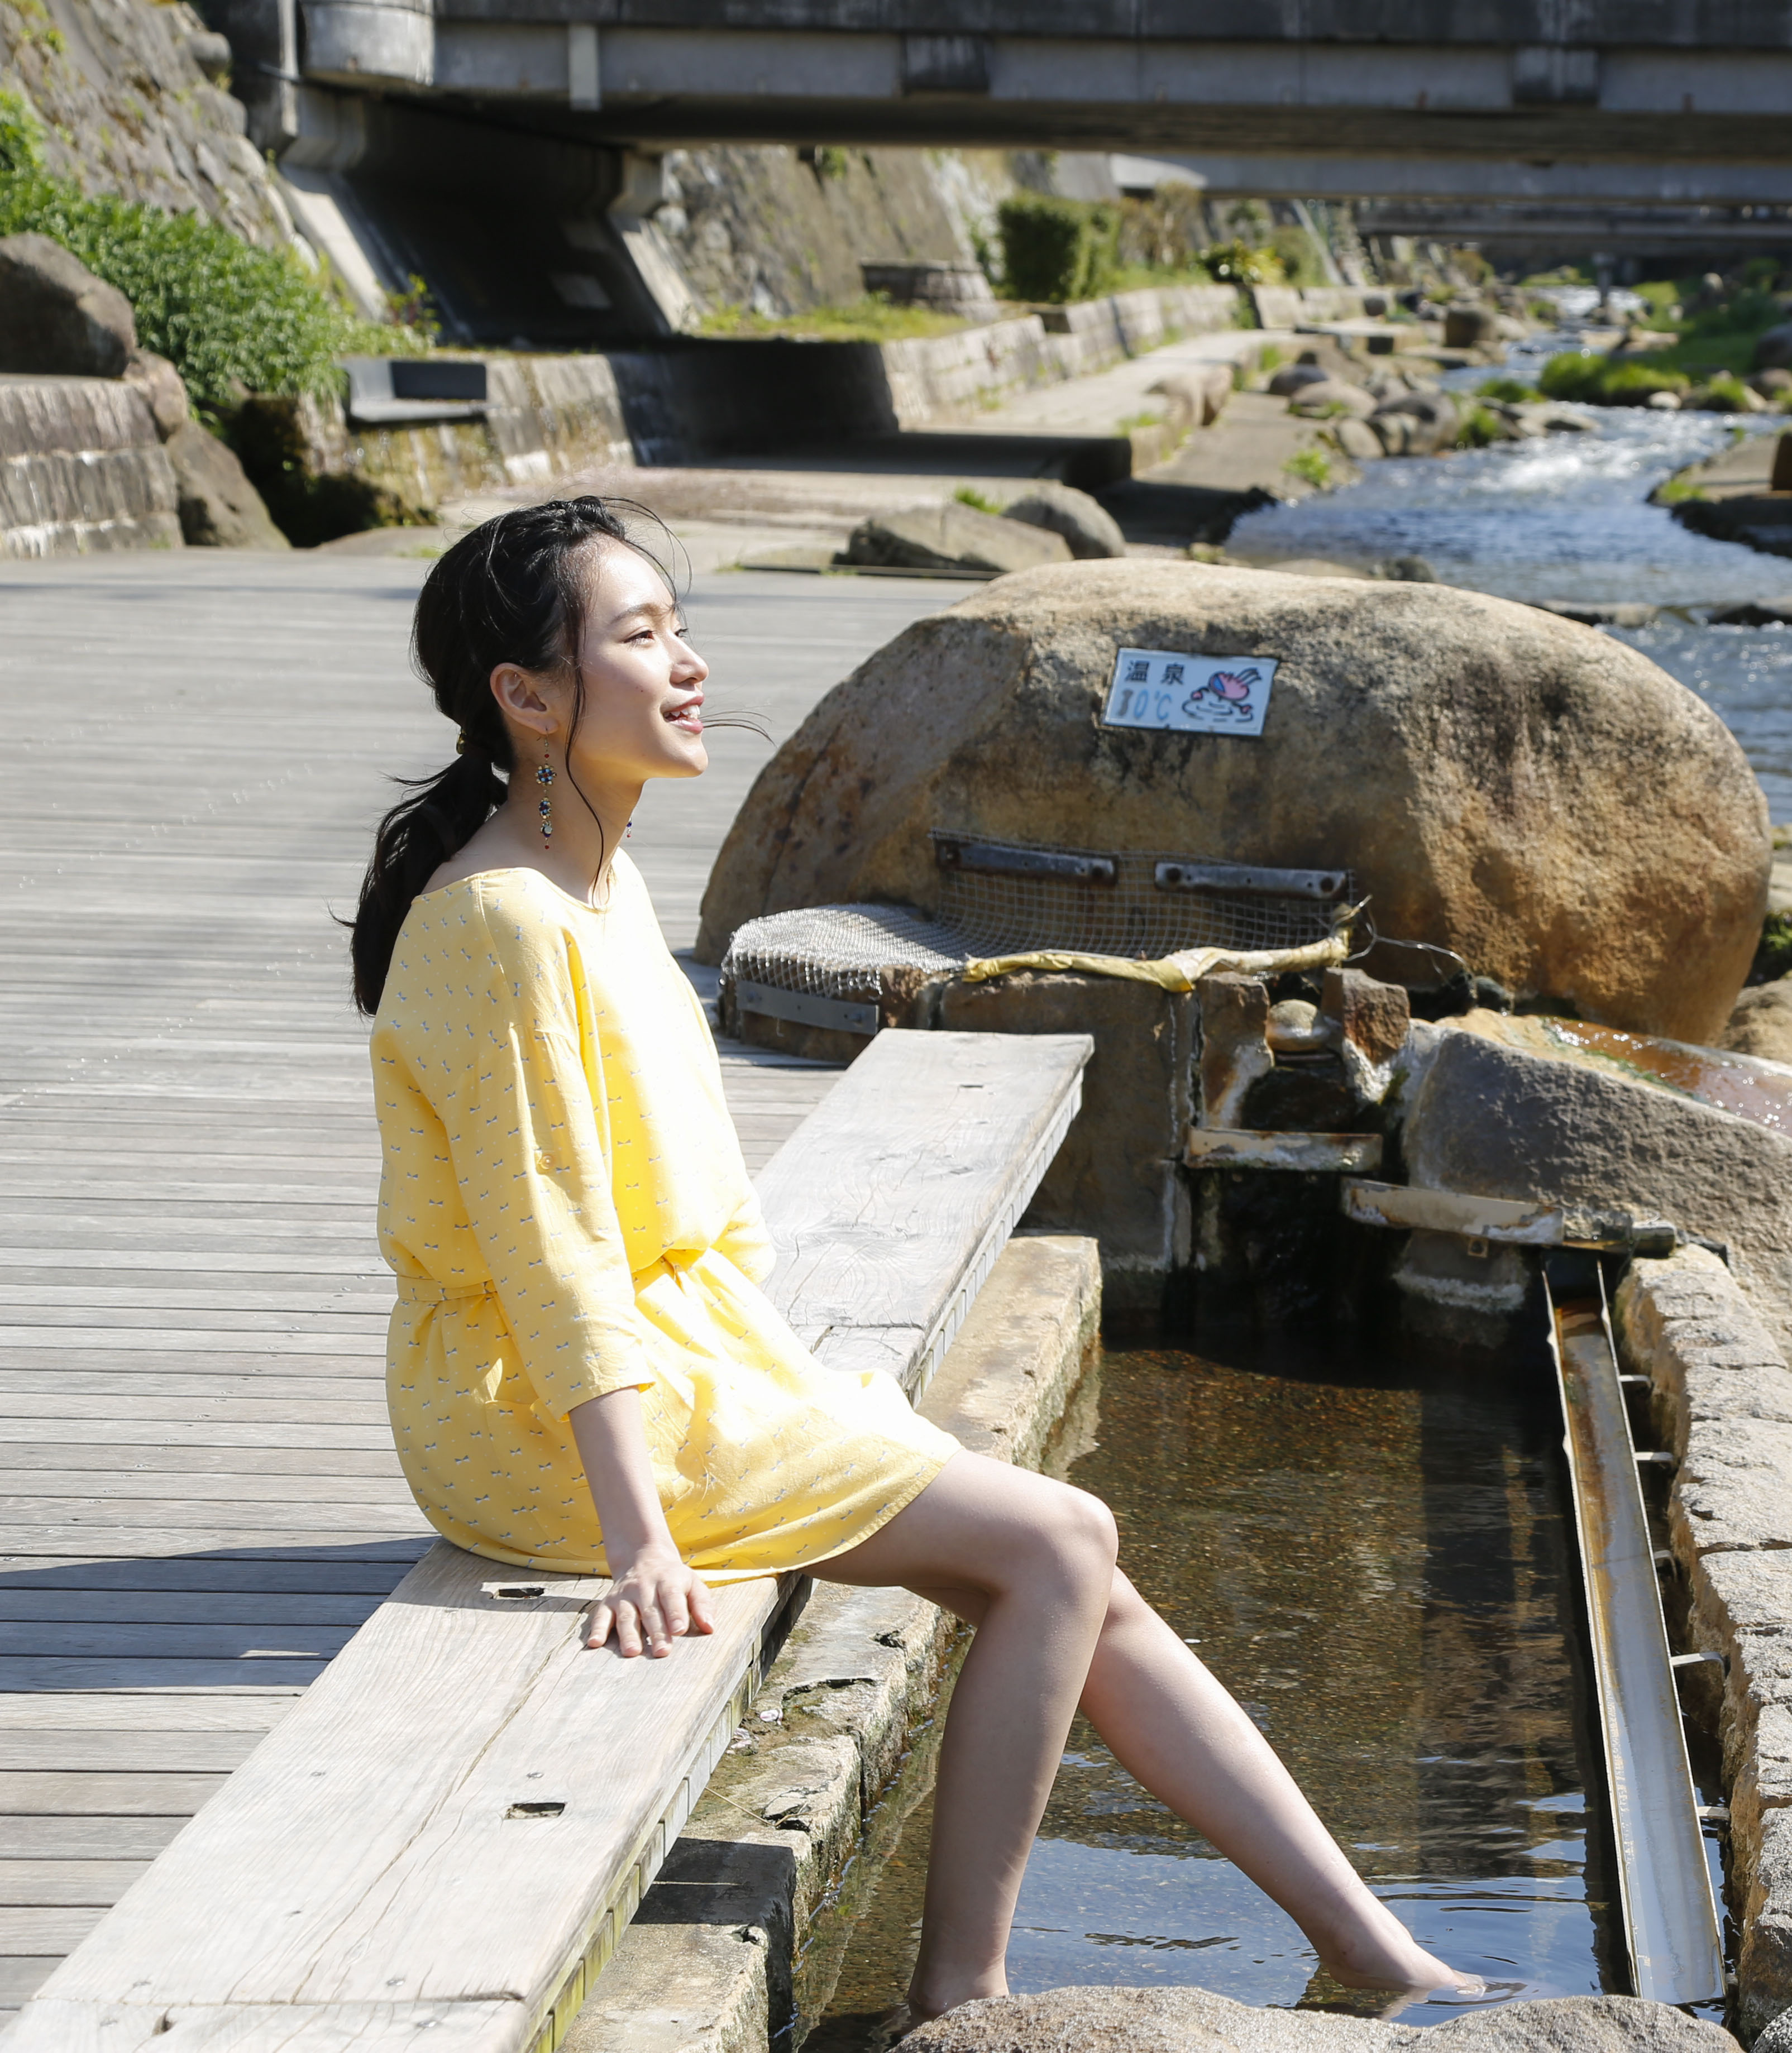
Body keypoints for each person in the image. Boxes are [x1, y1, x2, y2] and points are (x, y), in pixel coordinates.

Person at [350, 497, 1483, 2023]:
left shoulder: (587, 881)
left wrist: (778, 1379)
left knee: (1075, 1571)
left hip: (672, 1359)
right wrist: (638, 1537)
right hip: (536, 1415)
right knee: (1055, 1543)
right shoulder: (507, 924)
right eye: (639, 635)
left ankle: (1368, 1948)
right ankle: (964, 1994)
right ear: (526, 695)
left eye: (678, 625)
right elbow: (552, 1243)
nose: (686, 663)